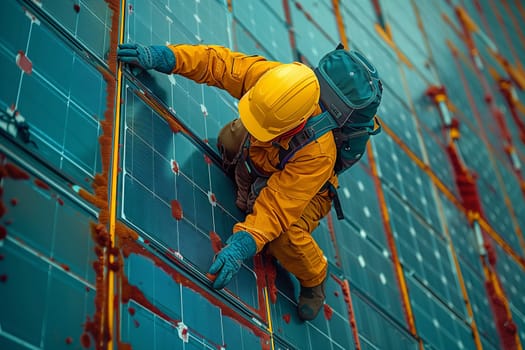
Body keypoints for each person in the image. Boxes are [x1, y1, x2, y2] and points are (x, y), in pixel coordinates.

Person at [117, 43, 338, 320]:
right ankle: (249, 183)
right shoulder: (273, 80)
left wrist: (240, 245)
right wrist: (168, 56)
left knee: (282, 238)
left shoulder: (318, 154)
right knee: (229, 139)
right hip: (267, 154)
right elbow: (218, 63)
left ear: (296, 125)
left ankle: (314, 277)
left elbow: (276, 208)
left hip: (305, 193)